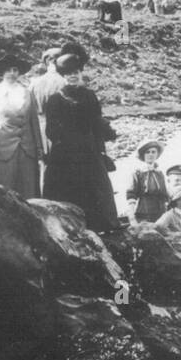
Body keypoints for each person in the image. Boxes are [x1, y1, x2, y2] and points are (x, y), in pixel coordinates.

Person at [41, 52, 120, 232]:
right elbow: (51, 130)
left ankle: (98, 226)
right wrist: (69, 140)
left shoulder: (89, 96)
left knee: (96, 188)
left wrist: (103, 142)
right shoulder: (55, 99)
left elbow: (96, 122)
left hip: (89, 150)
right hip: (65, 153)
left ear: (80, 73)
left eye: (75, 72)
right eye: (68, 73)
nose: (73, 76)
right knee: (65, 189)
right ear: (63, 76)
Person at [0, 53, 44, 199]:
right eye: (8, 70)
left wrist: (39, 147)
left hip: (27, 149)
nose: (12, 73)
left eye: (15, 70)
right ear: (2, 73)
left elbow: (34, 121)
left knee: (28, 190)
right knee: (5, 190)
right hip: (4, 149)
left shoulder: (27, 93)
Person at [126, 140, 170, 223]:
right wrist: (131, 217)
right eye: (147, 152)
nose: (151, 154)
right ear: (143, 155)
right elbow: (131, 194)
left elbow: (165, 195)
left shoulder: (160, 173)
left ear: (157, 154)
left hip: (161, 214)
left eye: (153, 152)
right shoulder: (137, 173)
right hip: (144, 214)